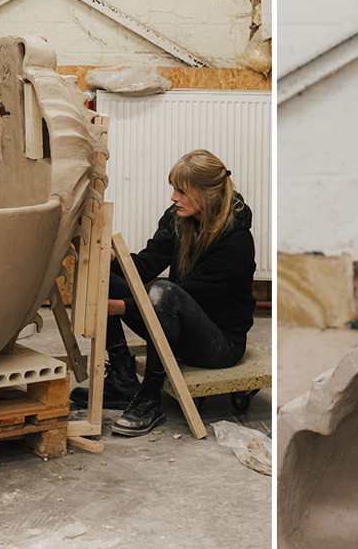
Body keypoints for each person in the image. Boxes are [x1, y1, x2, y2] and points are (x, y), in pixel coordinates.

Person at [71, 149, 257, 437]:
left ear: (207, 194)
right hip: (174, 325)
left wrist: (121, 307)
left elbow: (183, 293)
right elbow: (148, 263)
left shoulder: (236, 243)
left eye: (182, 191)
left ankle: (150, 397)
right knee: (103, 274)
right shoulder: (177, 218)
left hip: (219, 344)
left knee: (164, 293)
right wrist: (113, 260)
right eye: (174, 189)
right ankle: (122, 379)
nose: (173, 197)